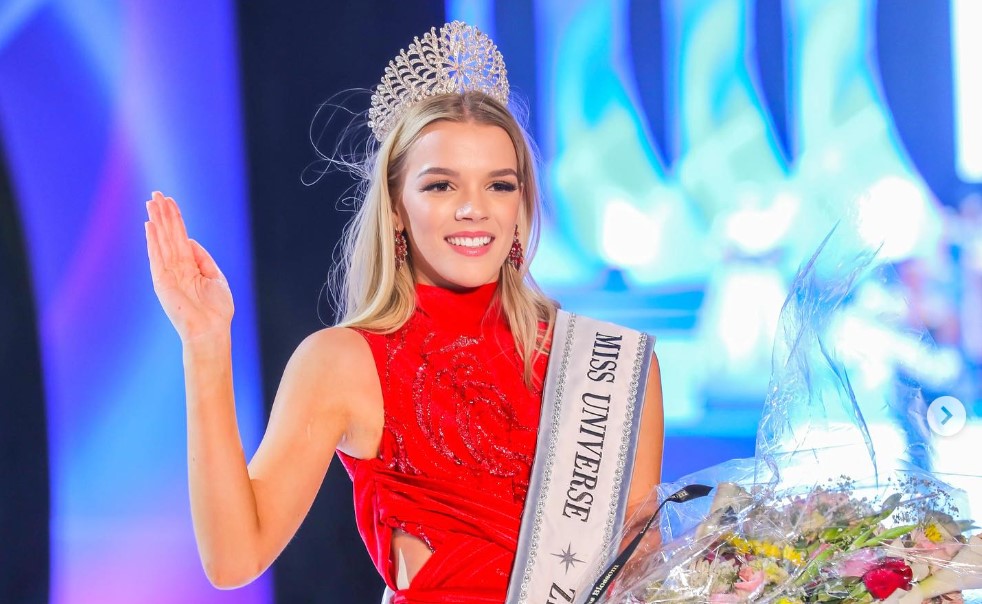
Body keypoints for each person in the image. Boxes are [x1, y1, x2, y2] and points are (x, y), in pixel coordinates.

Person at [144, 21, 664, 604]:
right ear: (395, 206)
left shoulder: (614, 367)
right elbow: (235, 558)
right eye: (441, 186)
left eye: (499, 185)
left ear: (521, 203)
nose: (473, 209)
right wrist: (205, 343)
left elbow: (640, 577)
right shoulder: (344, 362)